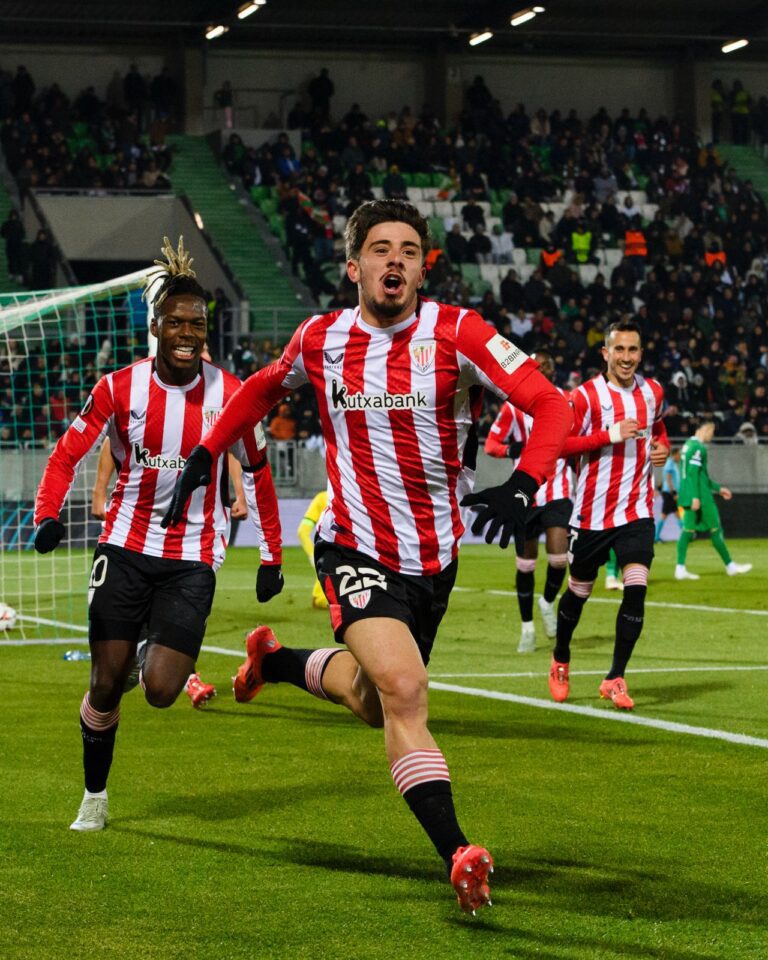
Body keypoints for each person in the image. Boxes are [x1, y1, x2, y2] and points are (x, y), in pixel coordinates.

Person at [162, 199, 572, 913]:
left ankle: (278, 661)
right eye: (381, 249)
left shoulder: (460, 332)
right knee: (406, 693)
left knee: (369, 699)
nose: (396, 261)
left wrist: (528, 482)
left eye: (409, 250)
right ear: (354, 266)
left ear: (423, 266)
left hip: (434, 560)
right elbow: (263, 387)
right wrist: (205, 449)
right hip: (351, 541)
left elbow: (553, 405)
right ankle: (459, 854)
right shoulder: (322, 338)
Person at [33, 237, 284, 832]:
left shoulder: (231, 395)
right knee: (105, 682)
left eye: (197, 323)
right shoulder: (118, 388)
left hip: (193, 556)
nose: (188, 332)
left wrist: (271, 553)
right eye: (176, 322)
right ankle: (94, 796)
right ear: (156, 326)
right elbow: (66, 454)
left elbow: (258, 471)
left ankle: (150, 649)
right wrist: (48, 513)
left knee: (163, 690)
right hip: (124, 544)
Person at [548, 319, 670, 711]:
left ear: (640, 353)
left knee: (636, 590)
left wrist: (663, 448)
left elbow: (659, 427)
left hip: (636, 511)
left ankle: (615, 676)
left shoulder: (653, 392)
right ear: (605, 353)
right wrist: (609, 435)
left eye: (633, 350)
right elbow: (561, 445)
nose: (626, 358)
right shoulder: (584, 397)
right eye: (619, 350)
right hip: (591, 515)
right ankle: (561, 656)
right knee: (578, 594)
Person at [484, 350, 572, 653]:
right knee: (526, 565)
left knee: (560, 558)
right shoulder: (513, 407)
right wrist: (514, 449)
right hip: (525, 494)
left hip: (558, 491)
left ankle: (547, 602)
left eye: (547, 364)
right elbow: (492, 445)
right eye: (537, 365)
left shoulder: (567, 399)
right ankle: (527, 629)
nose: (543, 368)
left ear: (553, 371)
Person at [675, 421, 752, 580]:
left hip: (688, 493)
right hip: (701, 496)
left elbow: (699, 476)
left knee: (687, 531)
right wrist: (696, 496)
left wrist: (718, 488)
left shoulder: (687, 445)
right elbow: (693, 473)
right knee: (716, 529)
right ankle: (730, 566)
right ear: (703, 429)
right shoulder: (698, 447)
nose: (712, 434)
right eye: (711, 430)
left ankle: (680, 568)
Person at [297, 490, 330, 609]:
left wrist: (314, 556)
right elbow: (302, 532)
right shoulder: (357, 497)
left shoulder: (322, 498)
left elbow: (302, 532)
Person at [655, 447, 680, 543]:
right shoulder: (670, 464)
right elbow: (668, 478)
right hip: (669, 493)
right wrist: (673, 492)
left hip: (668, 492)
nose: (680, 457)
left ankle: (686, 535)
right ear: (675, 454)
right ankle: (656, 537)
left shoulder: (671, 463)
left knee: (676, 513)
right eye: (679, 454)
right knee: (664, 514)